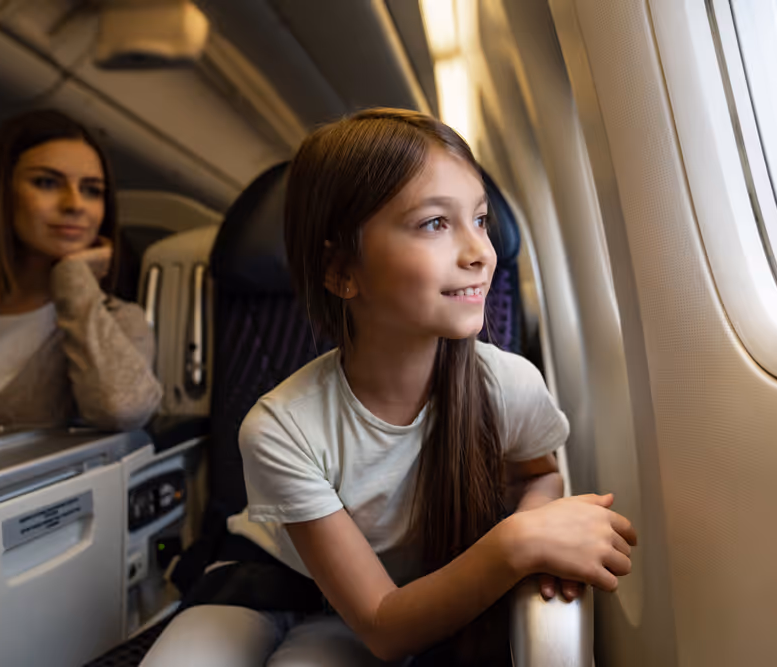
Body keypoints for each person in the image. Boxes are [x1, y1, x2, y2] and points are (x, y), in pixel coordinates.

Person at [141, 109, 636, 666]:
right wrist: (517, 544)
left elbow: (539, 473)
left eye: (479, 220)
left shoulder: (508, 384)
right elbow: (381, 624)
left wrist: (533, 521)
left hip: (394, 601)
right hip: (269, 578)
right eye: (435, 224)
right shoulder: (281, 425)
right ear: (341, 272)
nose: (480, 253)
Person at [0, 109, 162, 435]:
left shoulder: (119, 321)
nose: (74, 204)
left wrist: (74, 282)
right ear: (0, 194)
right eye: (47, 182)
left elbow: (123, 410)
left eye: (92, 190)